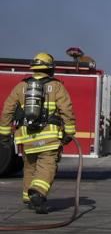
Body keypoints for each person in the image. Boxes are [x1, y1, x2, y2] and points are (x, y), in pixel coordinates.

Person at [0, 52, 76, 214]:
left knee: (30, 167)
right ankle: (37, 193)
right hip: (48, 136)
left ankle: (28, 198)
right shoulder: (56, 86)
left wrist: (4, 135)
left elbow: (7, 109)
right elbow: (66, 110)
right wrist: (69, 132)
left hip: (26, 137)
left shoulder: (21, 86)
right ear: (50, 69)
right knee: (47, 166)